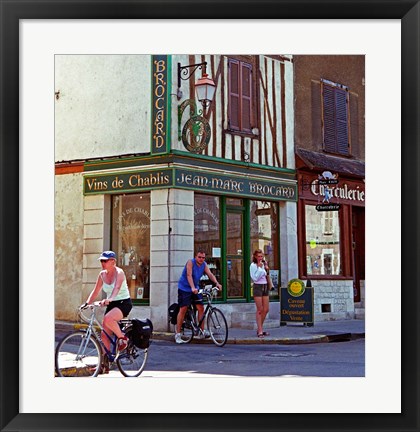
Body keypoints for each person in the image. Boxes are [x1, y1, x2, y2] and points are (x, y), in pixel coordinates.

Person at [83, 251, 133, 356]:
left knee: (108, 319)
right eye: (101, 261)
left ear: (113, 261)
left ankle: (123, 338)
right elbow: (96, 291)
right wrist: (87, 303)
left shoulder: (119, 272)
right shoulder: (102, 275)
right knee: (104, 334)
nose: (102, 263)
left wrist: (110, 298)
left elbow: (117, 288)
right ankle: (104, 364)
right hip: (112, 304)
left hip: (123, 303)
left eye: (105, 261)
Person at [175, 250, 222, 344]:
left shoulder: (204, 265)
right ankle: (178, 334)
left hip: (195, 288)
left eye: (203, 257)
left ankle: (202, 331)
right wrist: (192, 287)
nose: (201, 259)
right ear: (195, 257)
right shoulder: (190, 262)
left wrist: (217, 283)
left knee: (201, 308)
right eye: (199, 257)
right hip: (184, 288)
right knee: (183, 309)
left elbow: (210, 274)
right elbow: (189, 275)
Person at [250, 249, 270, 338]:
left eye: (261, 256)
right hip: (257, 287)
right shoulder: (253, 265)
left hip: (265, 286)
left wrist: (266, 269)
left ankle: (260, 328)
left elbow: (266, 275)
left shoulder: (263, 264)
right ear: (255, 257)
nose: (260, 258)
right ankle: (260, 330)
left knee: (266, 309)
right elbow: (255, 278)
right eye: (258, 256)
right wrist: (259, 268)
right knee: (260, 309)